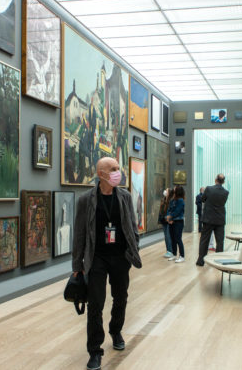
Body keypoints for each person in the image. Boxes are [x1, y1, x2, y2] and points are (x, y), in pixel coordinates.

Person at [72, 157, 142, 370]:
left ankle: (115, 330)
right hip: (97, 258)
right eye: (113, 169)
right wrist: (77, 266)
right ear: (100, 174)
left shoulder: (125, 196)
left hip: (120, 257)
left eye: (118, 168)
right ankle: (95, 351)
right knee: (95, 304)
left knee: (120, 298)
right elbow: (79, 234)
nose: (117, 172)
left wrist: (134, 248)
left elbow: (132, 225)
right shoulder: (86, 200)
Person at [196, 174, 229, 266]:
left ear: (215, 180)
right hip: (220, 219)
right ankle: (218, 261)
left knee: (204, 240)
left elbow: (203, 199)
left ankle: (201, 261)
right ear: (224, 182)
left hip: (208, 218)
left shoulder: (209, 189)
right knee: (220, 241)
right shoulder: (226, 192)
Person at [166, 186, 186, 263]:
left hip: (178, 222)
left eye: (175, 188)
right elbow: (169, 209)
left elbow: (177, 211)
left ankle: (182, 256)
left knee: (178, 239)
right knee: (172, 239)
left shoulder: (181, 200)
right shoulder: (172, 200)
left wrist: (170, 217)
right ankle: (174, 254)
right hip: (171, 221)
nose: (173, 189)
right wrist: (168, 218)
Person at [158, 188, 173, 258]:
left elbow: (170, 211)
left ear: (169, 193)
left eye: (166, 191)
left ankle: (170, 251)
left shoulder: (171, 201)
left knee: (168, 236)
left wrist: (168, 218)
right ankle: (168, 250)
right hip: (163, 220)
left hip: (168, 220)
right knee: (166, 236)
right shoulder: (163, 200)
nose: (165, 191)